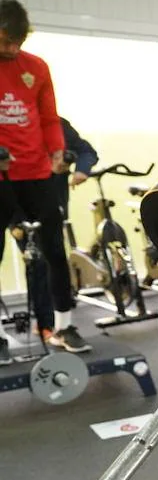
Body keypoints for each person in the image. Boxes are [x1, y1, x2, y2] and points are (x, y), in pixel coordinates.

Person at [0, 0, 91, 362]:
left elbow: (49, 117)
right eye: (5, 41)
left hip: (36, 175)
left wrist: (56, 151)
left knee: (54, 251)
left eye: (17, 42)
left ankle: (63, 325)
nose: (12, 49)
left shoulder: (35, 67)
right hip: (1, 176)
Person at [10, 117, 98, 341]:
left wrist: (82, 170)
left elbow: (86, 151)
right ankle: (45, 324)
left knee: (54, 259)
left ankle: (56, 327)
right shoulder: (11, 127)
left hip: (51, 206)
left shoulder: (59, 125)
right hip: (17, 207)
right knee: (38, 261)